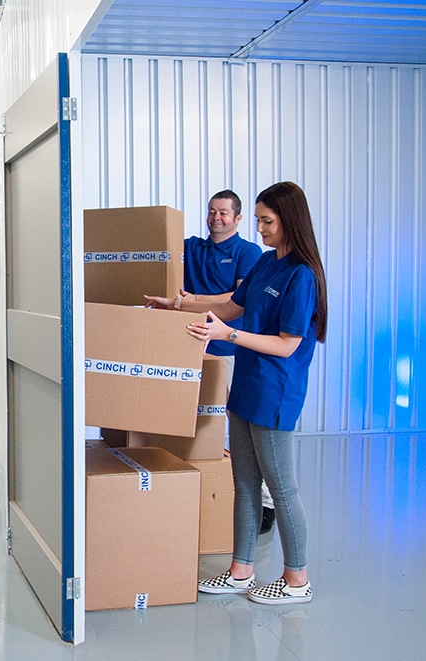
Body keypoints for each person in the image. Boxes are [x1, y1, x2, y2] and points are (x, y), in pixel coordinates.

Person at [145, 181, 327, 605]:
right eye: (260, 220)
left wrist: (229, 335)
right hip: (246, 388)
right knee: (243, 481)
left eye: (268, 221)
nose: (261, 228)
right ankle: (240, 570)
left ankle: (297, 580)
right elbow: (229, 307)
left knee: (281, 490)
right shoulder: (266, 264)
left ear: (290, 222)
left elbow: (287, 344)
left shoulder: (301, 276)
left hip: (275, 393)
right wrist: (175, 307)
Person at [178, 190, 275, 534]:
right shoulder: (192, 247)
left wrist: (192, 300)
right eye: (211, 212)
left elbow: (236, 300)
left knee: (239, 430)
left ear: (237, 218)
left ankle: (263, 502)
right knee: (194, 425)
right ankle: (198, 487)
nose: (216, 218)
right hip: (191, 347)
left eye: (223, 213)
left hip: (228, 350)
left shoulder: (249, 253)